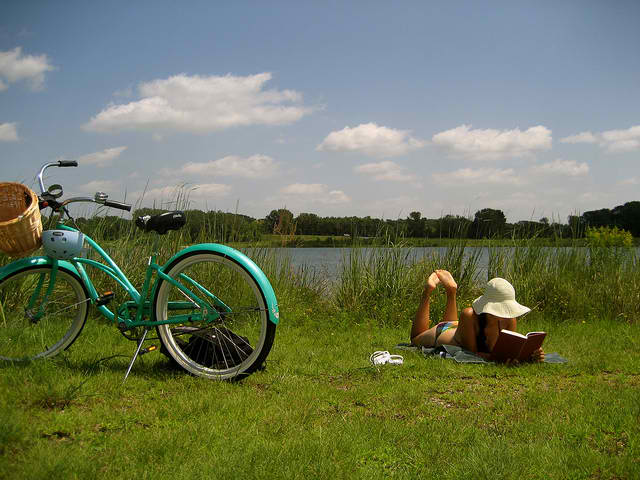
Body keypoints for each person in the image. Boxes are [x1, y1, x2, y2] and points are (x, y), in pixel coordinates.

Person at [410, 270, 545, 363]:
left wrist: (531, 354)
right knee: (415, 339)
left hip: (459, 328)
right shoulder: (469, 315)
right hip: (443, 332)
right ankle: (428, 291)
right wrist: (503, 359)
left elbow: (508, 351)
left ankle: (451, 291)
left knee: (454, 323)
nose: (506, 313)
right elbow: (472, 353)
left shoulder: (510, 320)